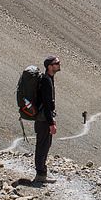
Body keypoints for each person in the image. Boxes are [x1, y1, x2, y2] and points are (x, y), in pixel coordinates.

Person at [34, 55, 60, 183]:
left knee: (45, 145)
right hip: (44, 120)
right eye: (56, 63)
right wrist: (51, 123)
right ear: (50, 66)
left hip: (45, 119)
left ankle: (42, 173)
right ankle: (40, 175)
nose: (58, 65)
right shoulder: (46, 81)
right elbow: (46, 103)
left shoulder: (49, 79)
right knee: (42, 146)